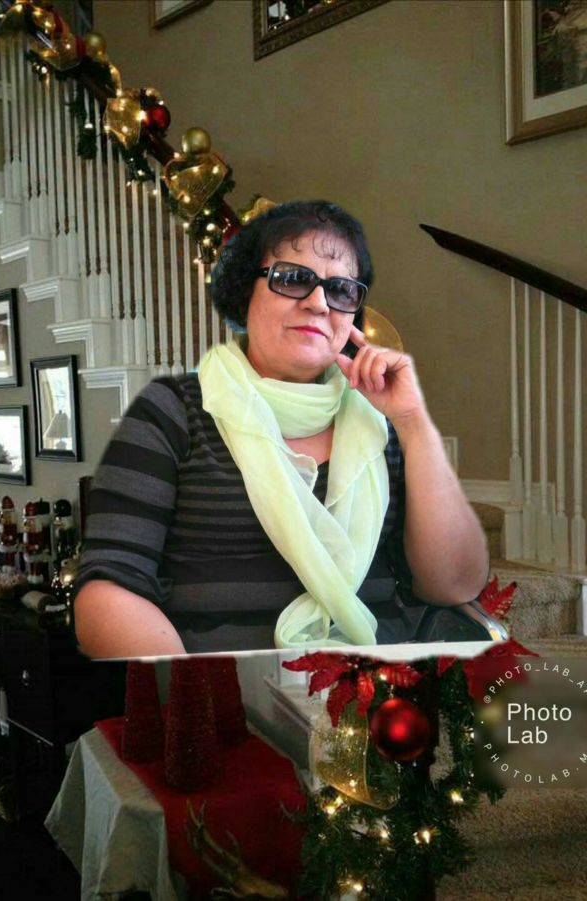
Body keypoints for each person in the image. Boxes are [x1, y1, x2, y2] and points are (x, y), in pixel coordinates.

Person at [73, 200, 489, 657]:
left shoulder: (380, 424)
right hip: (228, 689)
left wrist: (412, 420)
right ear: (243, 294)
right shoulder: (173, 412)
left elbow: (454, 585)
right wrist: (203, 692)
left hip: (379, 684)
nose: (318, 303)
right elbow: (108, 591)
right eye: (292, 279)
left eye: (341, 290)